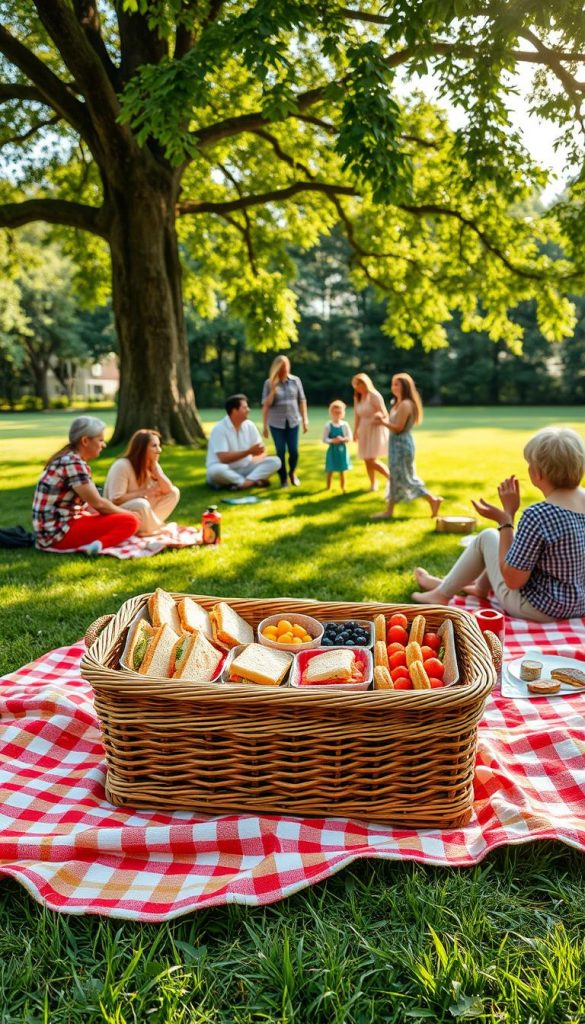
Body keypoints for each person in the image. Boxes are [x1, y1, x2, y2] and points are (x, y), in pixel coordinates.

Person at [412, 427, 585, 621]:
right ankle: (477, 588)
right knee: (509, 542)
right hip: (578, 605)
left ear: (537, 473)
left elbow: (512, 580)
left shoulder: (538, 515)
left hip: (538, 609)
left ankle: (441, 594)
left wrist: (506, 519)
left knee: (488, 537)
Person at [32, 416, 139, 554]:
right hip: (58, 535)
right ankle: (95, 547)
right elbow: (99, 504)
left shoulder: (68, 458)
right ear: (85, 441)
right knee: (130, 521)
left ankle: (95, 543)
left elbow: (90, 505)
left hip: (52, 531)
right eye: (100, 440)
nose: (104, 445)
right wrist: (129, 515)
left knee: (118, 517)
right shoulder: (73, 463)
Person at [372, 373, 442, 519]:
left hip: (402, 445)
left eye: (397, 384)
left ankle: (433, 500)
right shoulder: (397, 402)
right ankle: (389, 511)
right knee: (394, 477)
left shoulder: (406, 404)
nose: (393, 387)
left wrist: (382, 422)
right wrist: (383, 418)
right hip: (395, 445)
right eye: (393, 384)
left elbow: (398, 427)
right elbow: (394, 422)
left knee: (405, 478)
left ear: (405, 386)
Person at [103, 429, 180, 535]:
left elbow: (168, 490)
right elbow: (116, 499)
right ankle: (157, 529)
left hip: (141, 513)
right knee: (141, 504)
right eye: (154, 446)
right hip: (118, 513)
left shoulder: (153, 465)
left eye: (159, 445)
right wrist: (144, 493)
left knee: (174, 492)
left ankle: (148, 528)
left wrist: (158, 473)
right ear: (142, 448)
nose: (159, 450)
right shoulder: (122, 466)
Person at [206, 394, 282, 489]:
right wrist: (249, 452)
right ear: (234, 411)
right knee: (216, 470)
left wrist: (258, 457)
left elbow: (261, 451)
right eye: (245, 408)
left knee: (275, 461)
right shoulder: (219, 429)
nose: (248, 410)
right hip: (225, 469)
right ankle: (250, 481)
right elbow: (223, 458)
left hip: (246, 467)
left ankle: (243, 483)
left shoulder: (250, 425)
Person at [262, 355, 308, 487]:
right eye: (282, 367)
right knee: (280, 451)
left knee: (294, 451)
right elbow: (266, 405)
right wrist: (273, 389)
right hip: (276, 423)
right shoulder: (268, 383)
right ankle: (283, 479)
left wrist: (305, 420)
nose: (285, 369)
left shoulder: (295, 381)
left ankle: (292, 473)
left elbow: (302, 400)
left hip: (293, 421)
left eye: (286, 366)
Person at [351, 373, 390, 491]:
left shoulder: (374, 395)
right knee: (366, 459)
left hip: (375, 429)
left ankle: (391, 478)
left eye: (360, 384)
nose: (358, 387)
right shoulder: (357, 397)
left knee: (371, 459)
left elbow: (384, 413)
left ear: (366, 383)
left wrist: (378, 416)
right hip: (363, 429)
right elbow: (357, 416)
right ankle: (373, 484)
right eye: (356, 384)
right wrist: (355, 431)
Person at [323, 399, 353, 492]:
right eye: (335, 412)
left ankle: (343, 487)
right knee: (330, 469)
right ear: (331, 413)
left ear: (342, 413)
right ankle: (328, 487)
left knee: (342, 469)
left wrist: (343, 439)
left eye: (339, 412)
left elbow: (350, 437)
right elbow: (324, 439)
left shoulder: (345, 425)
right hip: (332, 451)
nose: (337, 414)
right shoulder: (328, 425)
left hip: (342, 451)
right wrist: (333, 440)